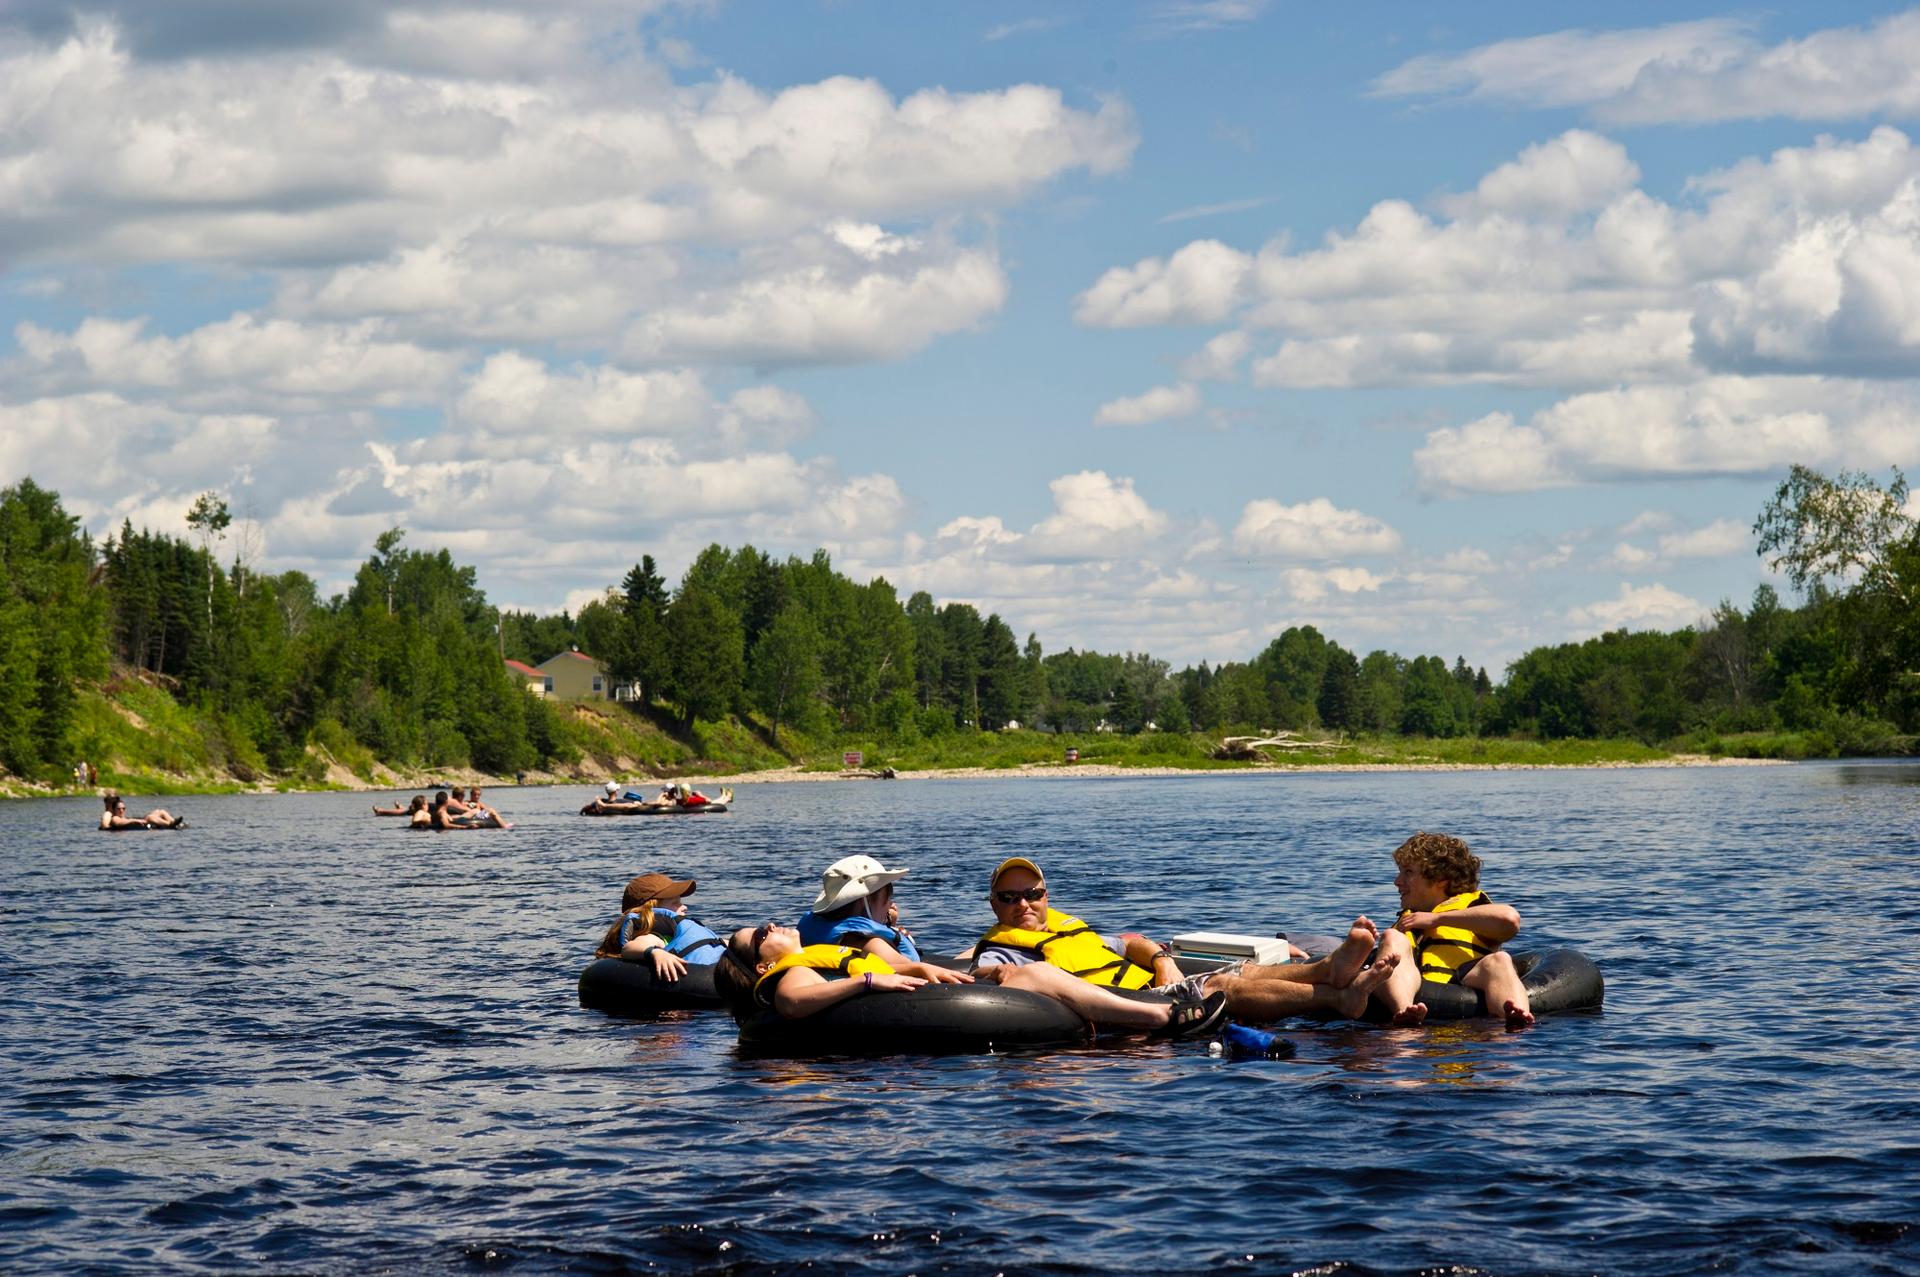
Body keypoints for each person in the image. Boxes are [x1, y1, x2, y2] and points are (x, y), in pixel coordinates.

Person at [975, 857, 1401, 1023]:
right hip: (1126, 1003)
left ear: (1047, 897)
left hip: (1153, 982)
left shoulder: (1068, 927)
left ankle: (1331, 969)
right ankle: (1336, 998)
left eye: (1033, 894)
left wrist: (1161, 959)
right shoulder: (1000, 948)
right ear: (994, 904)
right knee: (1221, 987)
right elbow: (989, 975)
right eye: (1010, 898)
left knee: (1243, 969)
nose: (1024, 904)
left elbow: (1131, 940)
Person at [715, 922, 1227, 1039]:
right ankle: (1164, 1016)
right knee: (1035, 973)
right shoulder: (788, 973)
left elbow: (887, 967)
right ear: (762, 963)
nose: (775, 926)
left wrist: (918, 968)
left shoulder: (819, 955)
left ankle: (1157, 1012)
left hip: (930, 993)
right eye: (762, 933)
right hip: (919, 1009)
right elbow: (794, 1004)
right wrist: (867, 986)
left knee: (1029, 974)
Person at [1371, 832, 1534, 1029]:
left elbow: (1510, 919)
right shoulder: (1405, 923)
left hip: (1466, 979)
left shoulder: (1472, 911)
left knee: (1499, 961)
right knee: (1391, 937)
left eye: (1408, 872)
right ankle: (1405, 1011)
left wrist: (1437, 919)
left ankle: (1514, 1015)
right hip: (1412, 983)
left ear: (1440, 879)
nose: (1397, 881)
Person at [795, 854, 955, 977]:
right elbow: (914, 971)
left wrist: (888, 926)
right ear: (862, 903)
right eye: (887, 898)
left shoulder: (829, 928)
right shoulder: (870, 944)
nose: (891, 904)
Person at [593, 872, 725, 981]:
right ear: (652, 910)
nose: (684, 907)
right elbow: (629, 948)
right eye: (675, 903)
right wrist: (656, 953)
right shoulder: (655, 937)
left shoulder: (681, 931)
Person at [99, 793, 182, 830]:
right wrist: (135, 820)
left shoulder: (115, 813)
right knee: (150, 817)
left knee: (160, 811)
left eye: (123, 808)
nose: (121, 810)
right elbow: (106, 825)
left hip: (137, 820)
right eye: (119, 809)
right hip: (137, 822)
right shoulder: (111, 816)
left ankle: (175, 822)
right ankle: (171, 824)